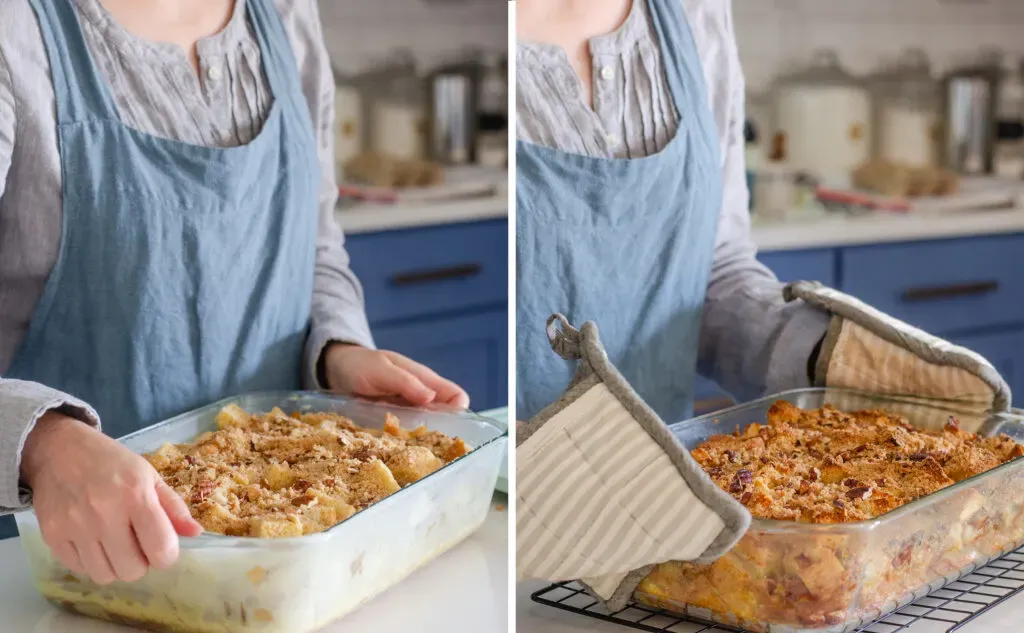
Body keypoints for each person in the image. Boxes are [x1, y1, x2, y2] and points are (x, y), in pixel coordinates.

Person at [514, 0, 1011, 599]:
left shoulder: (693, 14)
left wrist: (822, 358)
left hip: (684, 537)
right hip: (516, 534)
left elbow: (711, 272)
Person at [0, 0, 468, 586]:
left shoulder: (287, 15)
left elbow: (317, 248)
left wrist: (337, 351)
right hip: (58, 568)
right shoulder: (15, 30)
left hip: (285, 568)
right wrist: (44, 445)